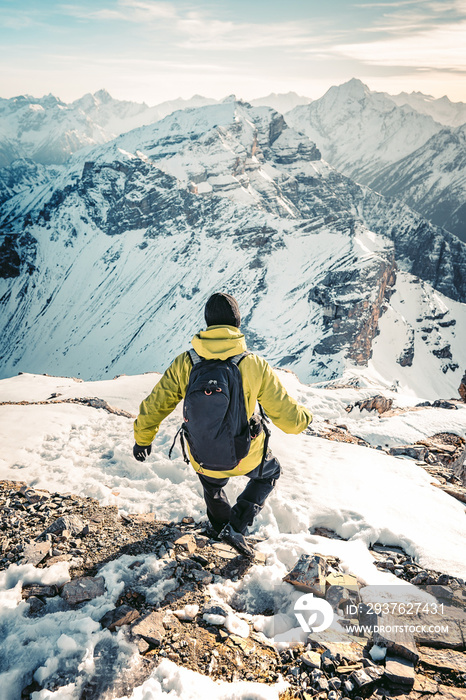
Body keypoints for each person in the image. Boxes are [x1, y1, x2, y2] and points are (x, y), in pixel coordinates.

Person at [133, 292, 312, 556]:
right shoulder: (253, 364)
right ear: (237, 323)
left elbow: (156, 403)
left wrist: (142, 439)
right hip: (247, 453)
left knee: (212, 486)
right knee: (270, 473)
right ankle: (237, 524)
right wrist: (305, 418)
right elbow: (288, 417)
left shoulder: (187, 362)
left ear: (207, 324)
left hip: (202, 453)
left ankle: (218, 525)